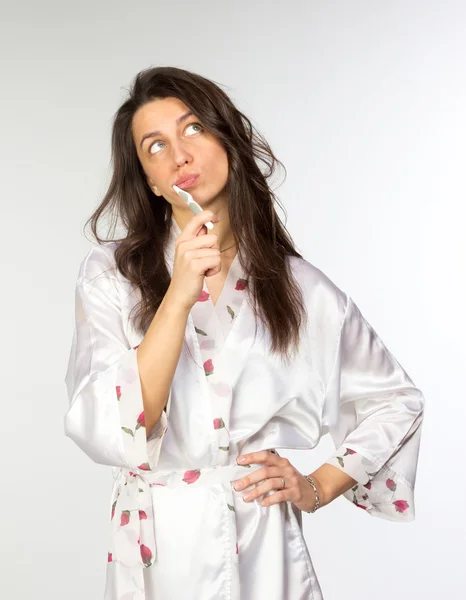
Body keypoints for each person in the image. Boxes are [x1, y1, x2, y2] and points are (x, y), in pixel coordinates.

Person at [64, 66, 425, 600]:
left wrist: (317, 485)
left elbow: (395, 401)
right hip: (160, 549)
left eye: (192, 129)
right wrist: (179, 294)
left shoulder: (300, 288)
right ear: (149, 180)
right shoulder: (111, 274)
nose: (179, 155)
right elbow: (114, 423)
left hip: (262, 547)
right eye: (155, 145)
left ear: (226, 139)